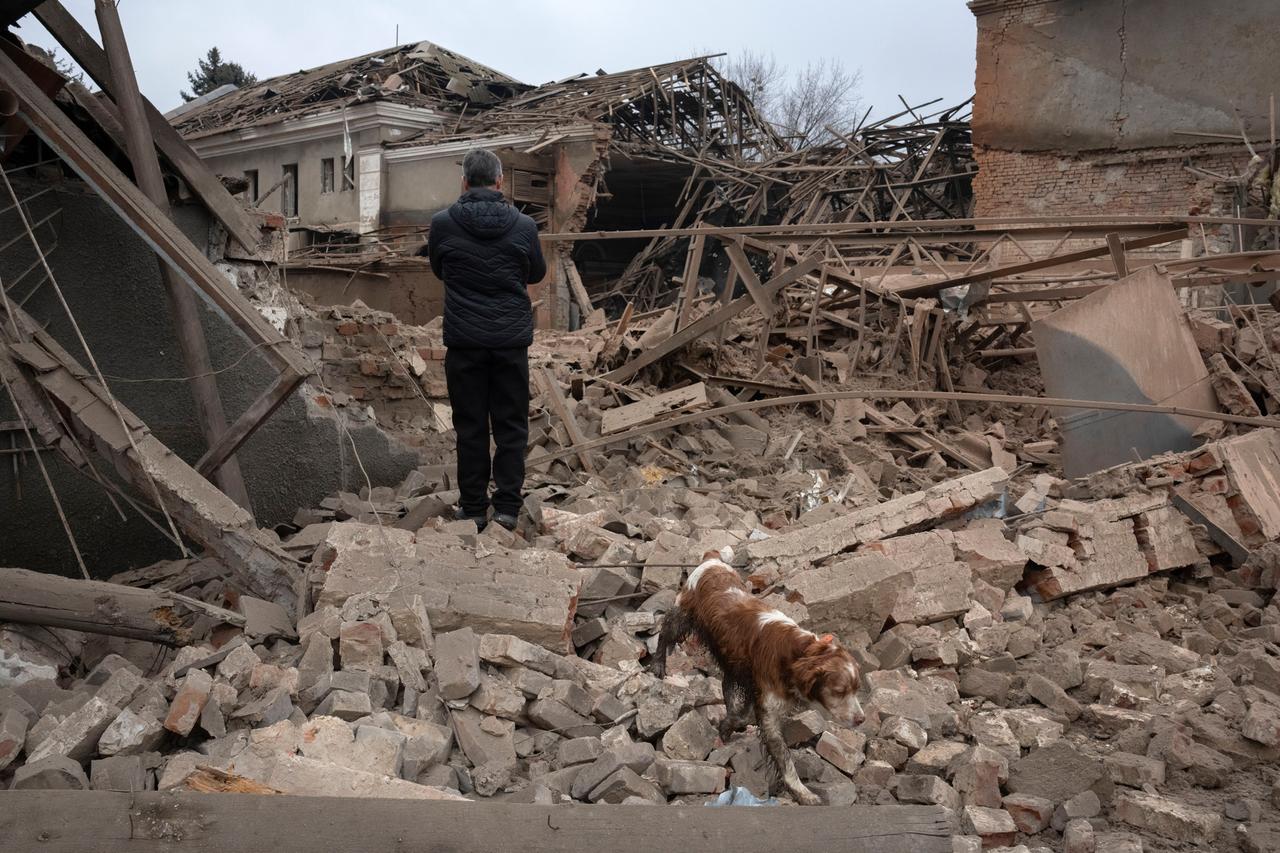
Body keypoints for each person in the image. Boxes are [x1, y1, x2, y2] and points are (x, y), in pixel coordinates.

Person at [419, 148, 546, 531]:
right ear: (500, 181)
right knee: (511, 427)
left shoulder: (443, 223)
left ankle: (473, 508)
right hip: (510, 343)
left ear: (463, 182)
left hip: (465, 342)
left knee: (470, 427)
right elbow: (536, 273)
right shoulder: (524, 226)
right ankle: (507, 508)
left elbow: (439, 269)